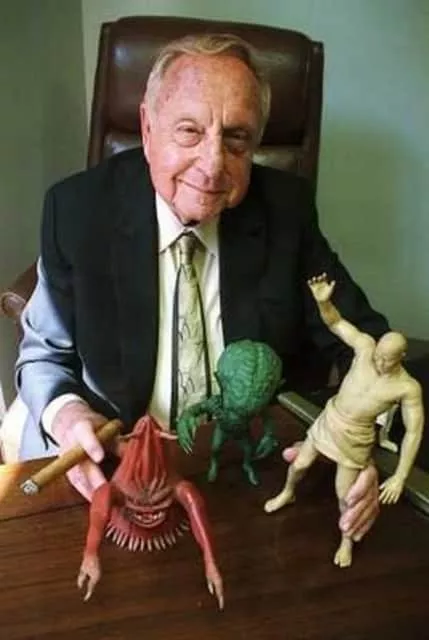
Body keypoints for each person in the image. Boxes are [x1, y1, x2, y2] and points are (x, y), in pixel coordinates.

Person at [1, 34, 388, 542]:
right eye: (189, 131)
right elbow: (43, 356)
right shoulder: (77, 210)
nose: (212, 165)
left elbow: (368, 346)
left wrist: (359, 438)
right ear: (147, 128)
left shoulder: (286, 210)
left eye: (236, 138)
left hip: (248, 469)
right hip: (117, 464)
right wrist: (69, 415)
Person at [265, 273, 424, 567]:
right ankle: (288, 493)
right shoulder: (365, 348)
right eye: (379, 355)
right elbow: (336, 323)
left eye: (387, 359)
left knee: (346, 496)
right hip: (331, 419)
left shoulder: (407, 387)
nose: (379, 362)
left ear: (401, 356)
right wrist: (323, 303)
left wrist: (400, 477)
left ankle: (346, 540)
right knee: (299, 464)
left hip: (356, 437)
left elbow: (414, 432)